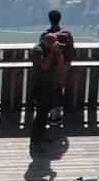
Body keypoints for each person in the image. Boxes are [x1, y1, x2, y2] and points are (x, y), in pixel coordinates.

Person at [27, 15, 75, 148]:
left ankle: (43, 136)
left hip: (50, 86)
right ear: (48, 43)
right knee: (40, 115)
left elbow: (60, 65)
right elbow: (44, 66)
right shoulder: (38, 51)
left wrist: (58, 54)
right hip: (40, 87)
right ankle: (36, 140)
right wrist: (53, 53)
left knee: (45, 114)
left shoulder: (50, 50)